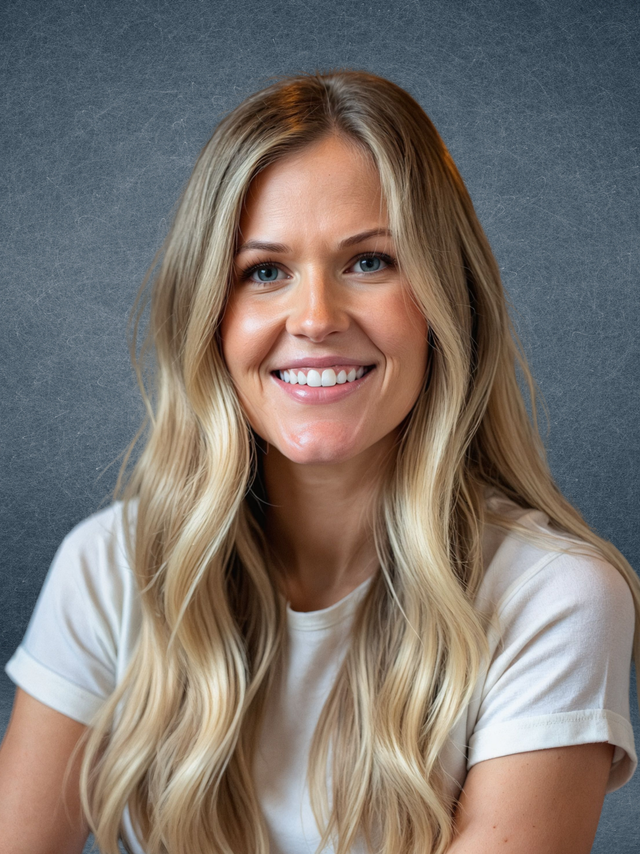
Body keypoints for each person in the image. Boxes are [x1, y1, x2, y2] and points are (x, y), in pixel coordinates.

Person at [0, 70, 637, 854]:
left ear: (449, 301)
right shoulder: (108, 568)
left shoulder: (555, 598)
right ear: (209, 318)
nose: (314, 319)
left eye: (369, 262)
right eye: (264, 272)